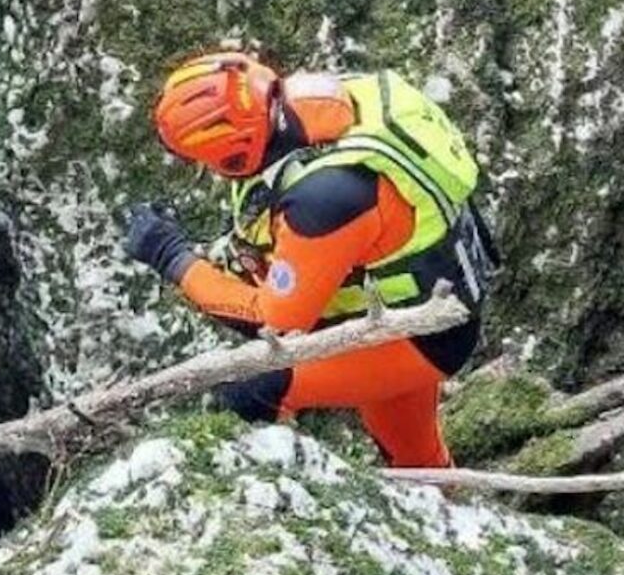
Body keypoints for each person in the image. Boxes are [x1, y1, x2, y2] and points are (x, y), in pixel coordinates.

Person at [124, 53, 498, 468]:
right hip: (431, 295)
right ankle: (446, 510)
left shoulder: (328, 199)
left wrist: (172, 257)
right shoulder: (322, 104)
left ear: (234, 155)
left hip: (420, 336)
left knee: (251, 388)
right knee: (416, 457)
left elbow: (276, 324)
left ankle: (273, 507)